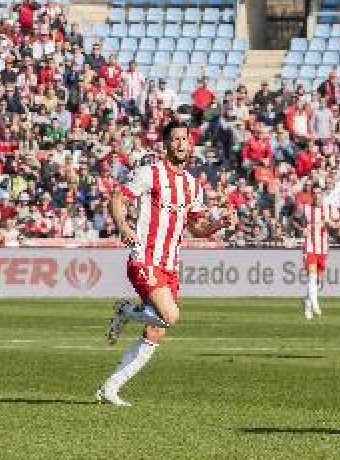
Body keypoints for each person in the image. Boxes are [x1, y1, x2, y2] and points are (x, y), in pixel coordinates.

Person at [97, 120, 236, 406]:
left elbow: (196, 228)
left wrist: (219, 224)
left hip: (170, 264)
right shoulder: (150, 173)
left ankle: (110, 387)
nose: (181, 144)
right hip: (145, 257)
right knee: (170, 317)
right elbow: (117, 197)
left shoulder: (193, 186)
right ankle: (125, 311)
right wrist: (123, 225)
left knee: (156, 332)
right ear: (166, 144)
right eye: (175, 139)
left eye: (185, 139)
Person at [297, 190, 339, 320]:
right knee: (312, 277)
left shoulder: (328, 209)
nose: (317, 195)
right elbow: (294, 220)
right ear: (312, 196)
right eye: (314, 193)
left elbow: (336, 225)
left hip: (323, 247)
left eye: (319, 193)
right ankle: (315, 304)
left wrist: (334, 224)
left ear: (322, 195)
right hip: (310, 246)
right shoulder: (306, 208)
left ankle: (307, 301)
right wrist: (301, 229)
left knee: (319, 282)